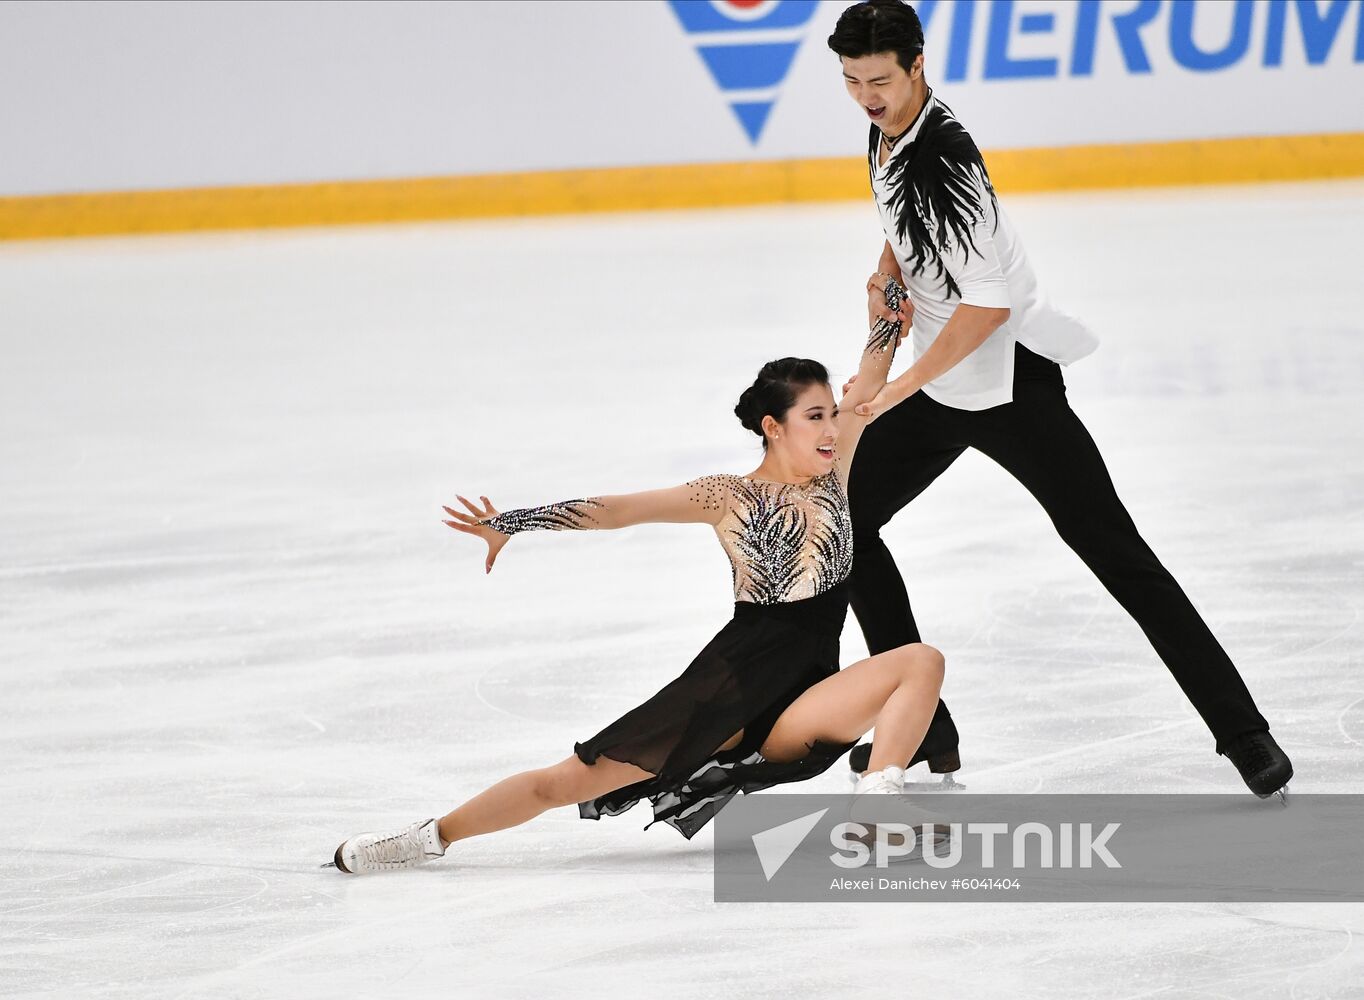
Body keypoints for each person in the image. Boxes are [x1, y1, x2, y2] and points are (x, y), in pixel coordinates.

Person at [826, 0, 1291, 799]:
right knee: (847, 523)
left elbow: (986, 304)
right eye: (851, 81)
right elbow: (906, 228)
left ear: (918, 66)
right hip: (942, 384)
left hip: (1009, 384)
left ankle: (1244, 734)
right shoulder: (887, 131)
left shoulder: (948, 160)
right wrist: (889, 272)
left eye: (879, 80)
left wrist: (894, 386)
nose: (866, 96)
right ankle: (921, 722)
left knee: (1118, 554)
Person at [328, 279, 946, 874]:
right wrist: (514, 521)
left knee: (919, 661)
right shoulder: (725, 496)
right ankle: (424, 839)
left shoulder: (833, 473)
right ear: (774, 426)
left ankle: (877, 805)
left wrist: (890, 286)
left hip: (804, 695)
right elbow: (619, 511)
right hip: (726, 693)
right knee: (560, 783)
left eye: (831, 414)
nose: (832, 429)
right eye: (815, 417)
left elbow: (874, 365)